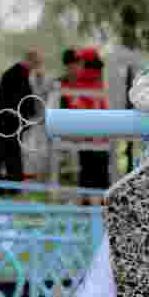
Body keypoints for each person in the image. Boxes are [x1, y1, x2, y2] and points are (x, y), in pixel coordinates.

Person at [60, 47, 110, 200]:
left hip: (93, 135)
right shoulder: (89, 85)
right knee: (94, 171)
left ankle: (90, 202)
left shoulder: (87, 85)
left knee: (91, 171)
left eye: (80, 62)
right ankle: (93, 202)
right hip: (93, 136)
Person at [0, 48, 43, 195]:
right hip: (11, 119)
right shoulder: (18, 74)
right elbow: (23, 98)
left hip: (9, 118)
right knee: (10, 154)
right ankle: (11, 187)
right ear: (31, 60)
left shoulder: (16, 72)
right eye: (37, 63)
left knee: (6, 153)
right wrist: (28, 116)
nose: (37, 67)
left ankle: (5, 186)